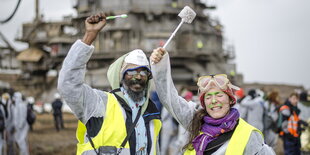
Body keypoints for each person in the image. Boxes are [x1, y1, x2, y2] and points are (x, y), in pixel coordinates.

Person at [58, 12, 161, 155]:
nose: (137, 77)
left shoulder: (152, 113)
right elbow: (68, 85)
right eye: (131, 72)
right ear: (120, 76)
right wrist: (89, 37)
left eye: (143, 72)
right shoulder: (100, 103)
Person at [150, 48, 275, 154]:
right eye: (208, 97)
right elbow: (170, 99)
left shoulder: (249, 136)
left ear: (230, 100)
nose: (214, 101)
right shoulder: (195, 122)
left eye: (219, 95)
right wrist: (160, 67)